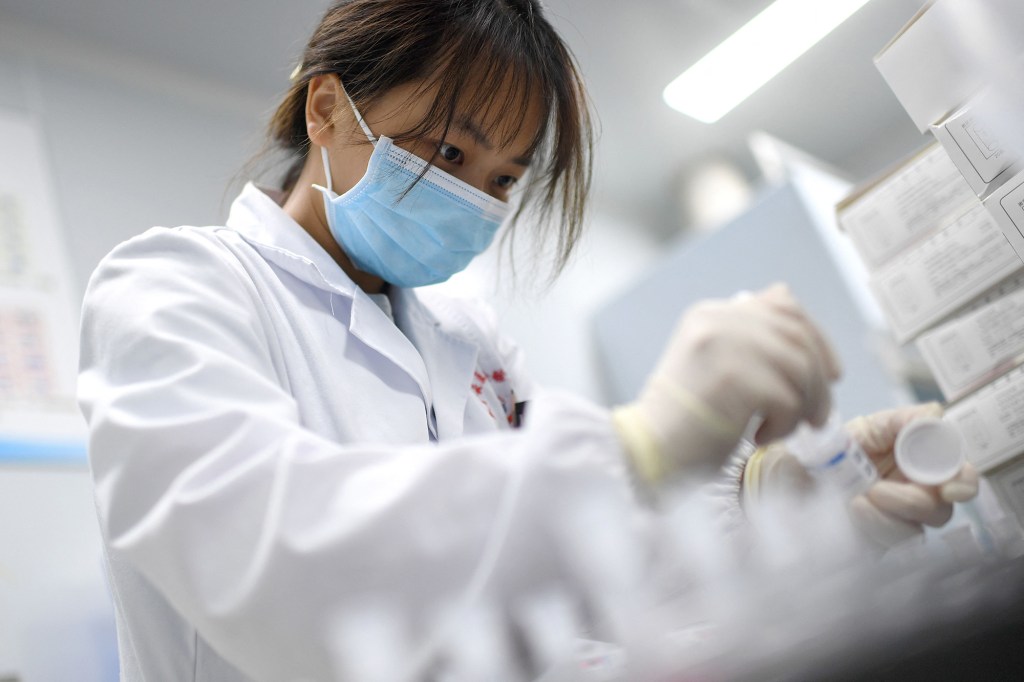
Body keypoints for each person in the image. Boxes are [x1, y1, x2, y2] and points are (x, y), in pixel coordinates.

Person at [76, 1, 979, 680]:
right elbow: (282, 572)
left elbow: (570, 580)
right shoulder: (175, 289)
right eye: (448, 154)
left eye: (504, 178)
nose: (476, 197)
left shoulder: (464, 339)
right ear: (326, 112)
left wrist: (783, 504)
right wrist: (641, 446)